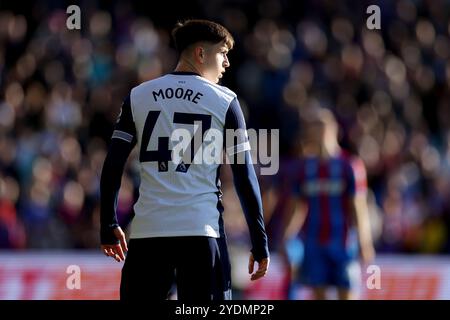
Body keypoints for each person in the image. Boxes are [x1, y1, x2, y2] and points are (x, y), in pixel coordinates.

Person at [99, 19, 269, 301]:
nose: (226, 62)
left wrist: (108, 224)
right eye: (222, 53)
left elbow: (113, 164)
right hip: (201, 232)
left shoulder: (138, 96)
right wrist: (259, 240)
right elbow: (244, 175)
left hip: (148, 234)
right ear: (201, 54)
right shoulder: (225, 100)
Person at [281, 107, 375, 300]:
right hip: (314, 243)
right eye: (314, 127)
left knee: (347, 294)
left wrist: (365, 241)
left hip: (344, 243)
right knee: (319, 294)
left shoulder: (349, 165)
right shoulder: (305, 168)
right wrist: (286, 237)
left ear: (334, 129)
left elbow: (358, 207)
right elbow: (297, 207)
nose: (318, 131)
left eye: (322, 126)